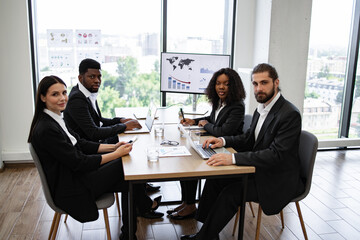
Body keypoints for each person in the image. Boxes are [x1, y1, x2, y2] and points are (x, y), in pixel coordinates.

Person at [180, 63, 305, 240]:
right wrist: (222, 140)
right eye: (255, 84)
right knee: (215, 180)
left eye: (264, 83)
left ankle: (205, 236)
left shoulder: (289, 114)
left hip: (276, 177)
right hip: (260, 168)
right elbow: (248, 138)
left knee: (231, 192)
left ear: (276, 83)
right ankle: (208, 233)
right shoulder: (261, 108)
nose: (259, 88)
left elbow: (276, 155)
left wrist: (232, 158)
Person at [28, 76, 161, 240]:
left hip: (75, 176)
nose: (62, 98)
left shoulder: (55, 118)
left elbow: (81, 144)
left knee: (130, 178)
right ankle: (143, 209)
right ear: (42, 97)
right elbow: (79, 162)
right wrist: (115, 154)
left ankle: (130, 230)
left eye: (64, 92)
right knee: (125, 165)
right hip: (72, 188)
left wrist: (114, 147)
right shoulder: (47, 129)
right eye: (55, 94)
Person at [63, 58, 160, 194]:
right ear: (80, 77)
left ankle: (141, 186)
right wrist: (124, 127)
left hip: (92, 144)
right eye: (92, 77)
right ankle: (142, 199)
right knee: (128, 157)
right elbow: (94, 132)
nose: (97, 80)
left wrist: (120, 120)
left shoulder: (86, 93)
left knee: (128, 144)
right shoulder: (77, 99)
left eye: (99, 76)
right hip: (89, 149)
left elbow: (99, 120)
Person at [168, 68, 246, 220]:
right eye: (218, 83)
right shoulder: (220, 102)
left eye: (226, 84)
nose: (221, 87)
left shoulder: (237, 105)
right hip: (216, 145)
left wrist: (204, 124)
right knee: (187, 162)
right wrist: (195, 121)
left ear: (234, 86)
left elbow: (223, 130)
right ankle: (188, 202)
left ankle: (191, 206)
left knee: (192, 165)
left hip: (228, 150)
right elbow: (211, 119)